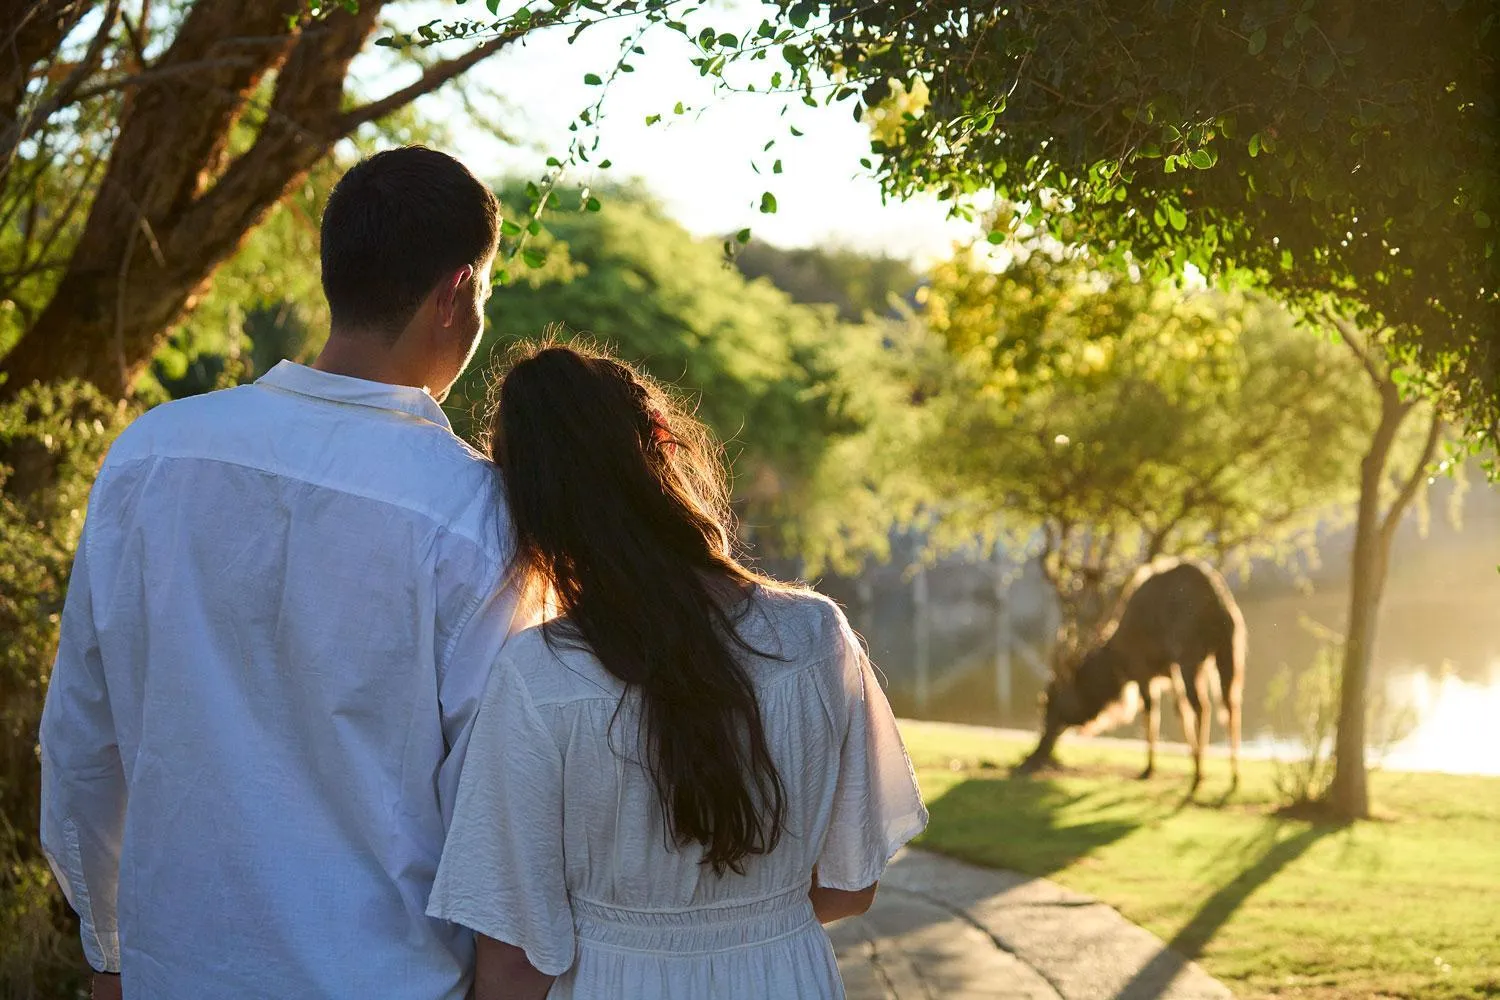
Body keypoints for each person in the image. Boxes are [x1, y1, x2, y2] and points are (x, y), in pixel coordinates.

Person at [39, 146, 523, 999]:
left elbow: (84, 734)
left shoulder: (152, 453)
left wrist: (108, 948)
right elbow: (502, 809)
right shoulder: (477, 513)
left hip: (174, 971)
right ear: (456, 293)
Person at [427, 343, 929, 1000]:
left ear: (529, 504)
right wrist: (745, 920)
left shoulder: (539, 677)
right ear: (664, 438)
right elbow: (850, 884)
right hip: (785, 978)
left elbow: (516, 958)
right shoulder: (816, 637)